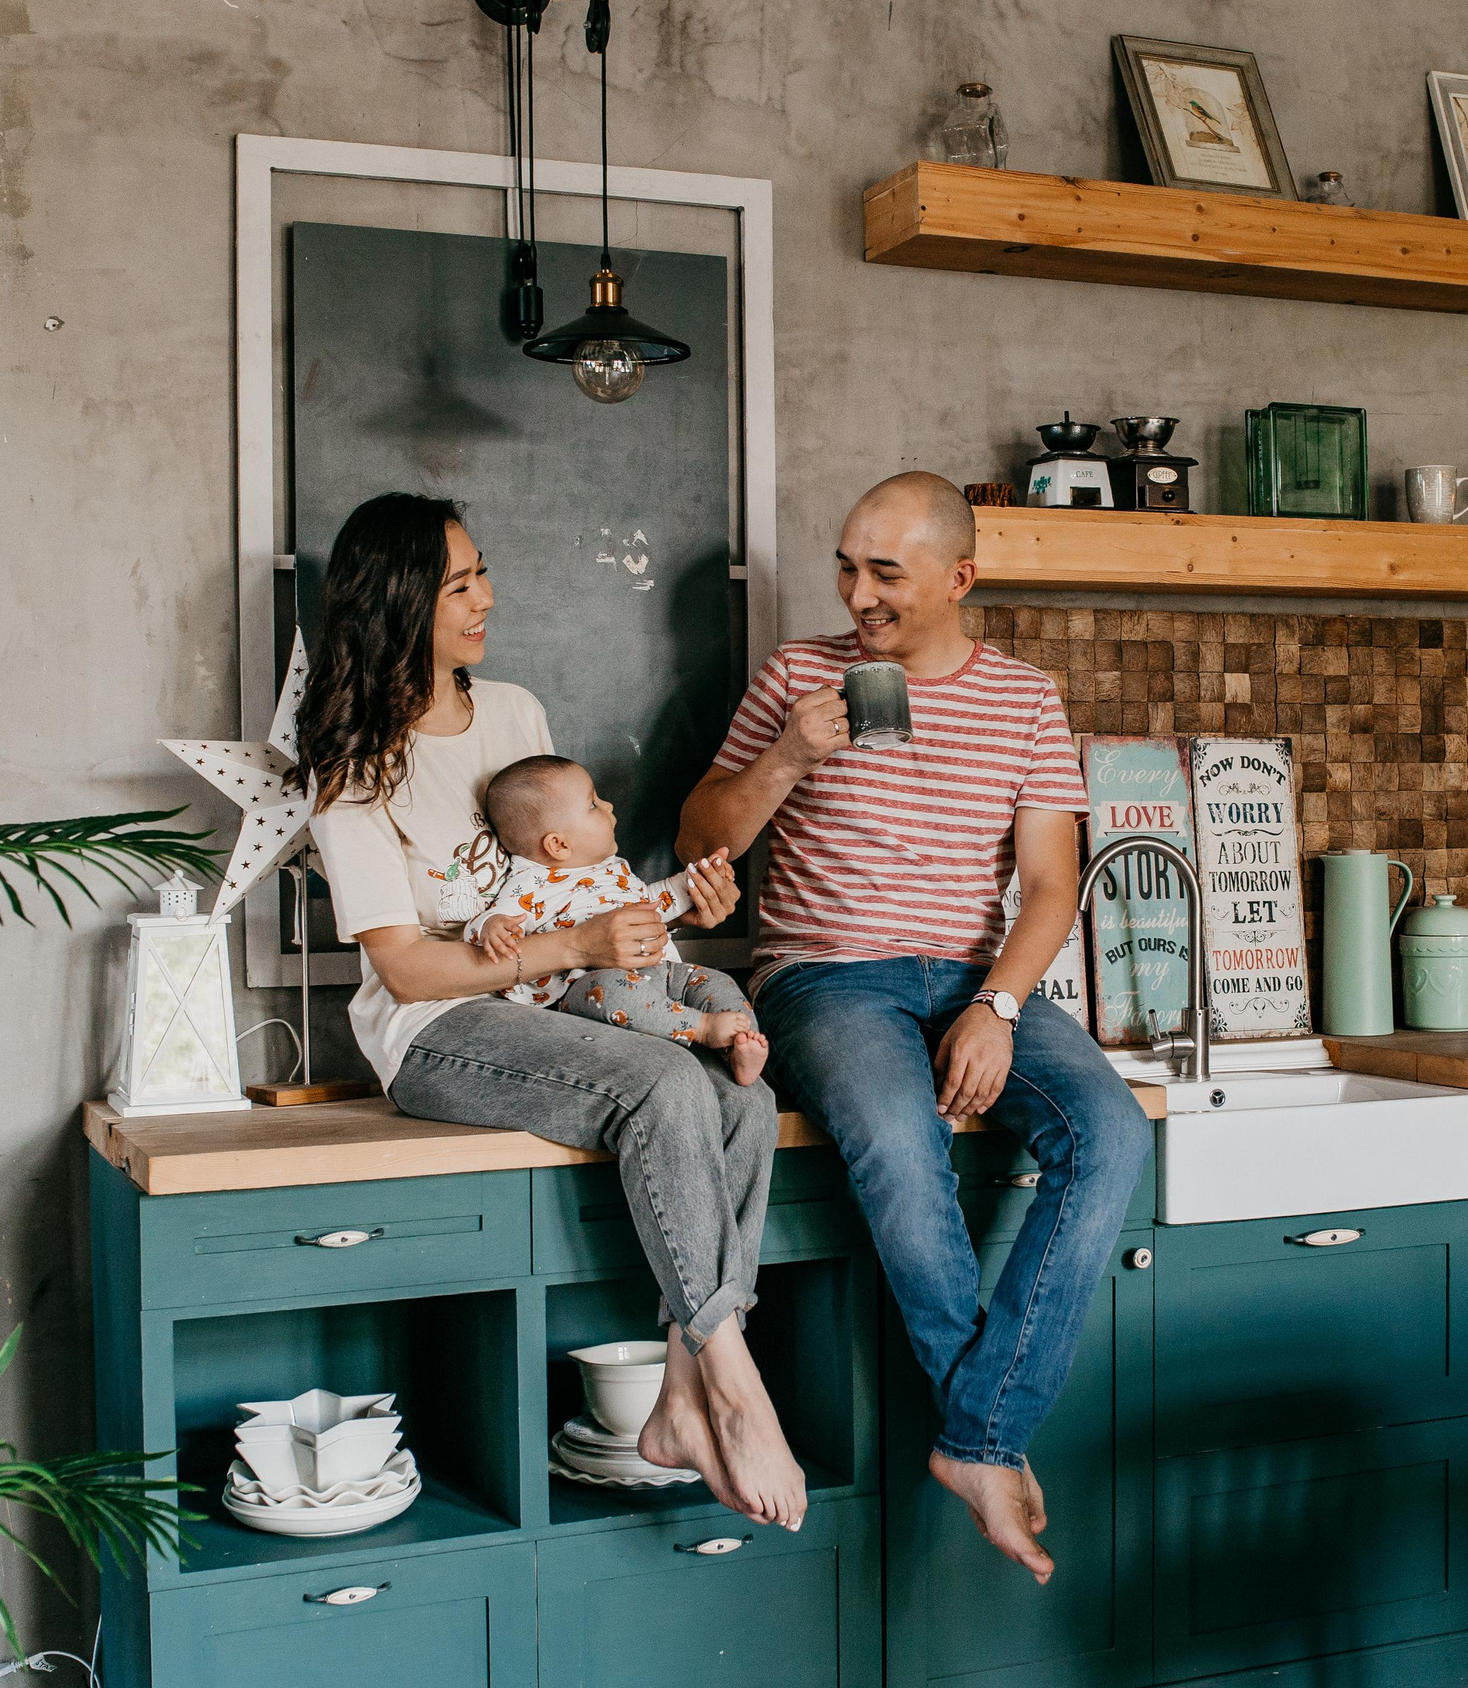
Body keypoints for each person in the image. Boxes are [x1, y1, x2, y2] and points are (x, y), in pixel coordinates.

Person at [296, 492, 805, 1531]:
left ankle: (676, 1400)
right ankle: (731, 1380)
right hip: (439, 1034)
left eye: (483, 570)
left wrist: (668, 911)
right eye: (459, 584)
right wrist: (574, 946)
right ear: (398, 602)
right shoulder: (354, 766)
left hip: (555, 1006)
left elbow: (572, 874)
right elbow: (405, 972)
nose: (488, 596)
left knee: (743, 1101)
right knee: (667, 1078)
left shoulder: (517, 714)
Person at [679, 471, 1150, 1581]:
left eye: (885, 572)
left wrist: (995, 1006)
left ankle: (976, 1436)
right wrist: (791, 755)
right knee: (900, 1140)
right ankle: (985, 1442)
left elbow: (1047, 886)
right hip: (825, 978)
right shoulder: (799, 674)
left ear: (958, 577)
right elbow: (701, 833)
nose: (859, 594)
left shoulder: (1026, 700)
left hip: (973, 979)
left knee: (1113, 1134)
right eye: (847, 565)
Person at [465, 753, 768, 1085]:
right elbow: (496, 918)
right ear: (558, 844)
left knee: (717, 982)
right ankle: (702, 1028)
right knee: (609, 990)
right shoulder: (528, 883)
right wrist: (492, 927)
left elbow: (652, 904)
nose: (608, 805)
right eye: (593, 804)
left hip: (664, 973)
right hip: (590, 990)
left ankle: (741, 1045)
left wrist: (699, 881)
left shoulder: (613, 869)